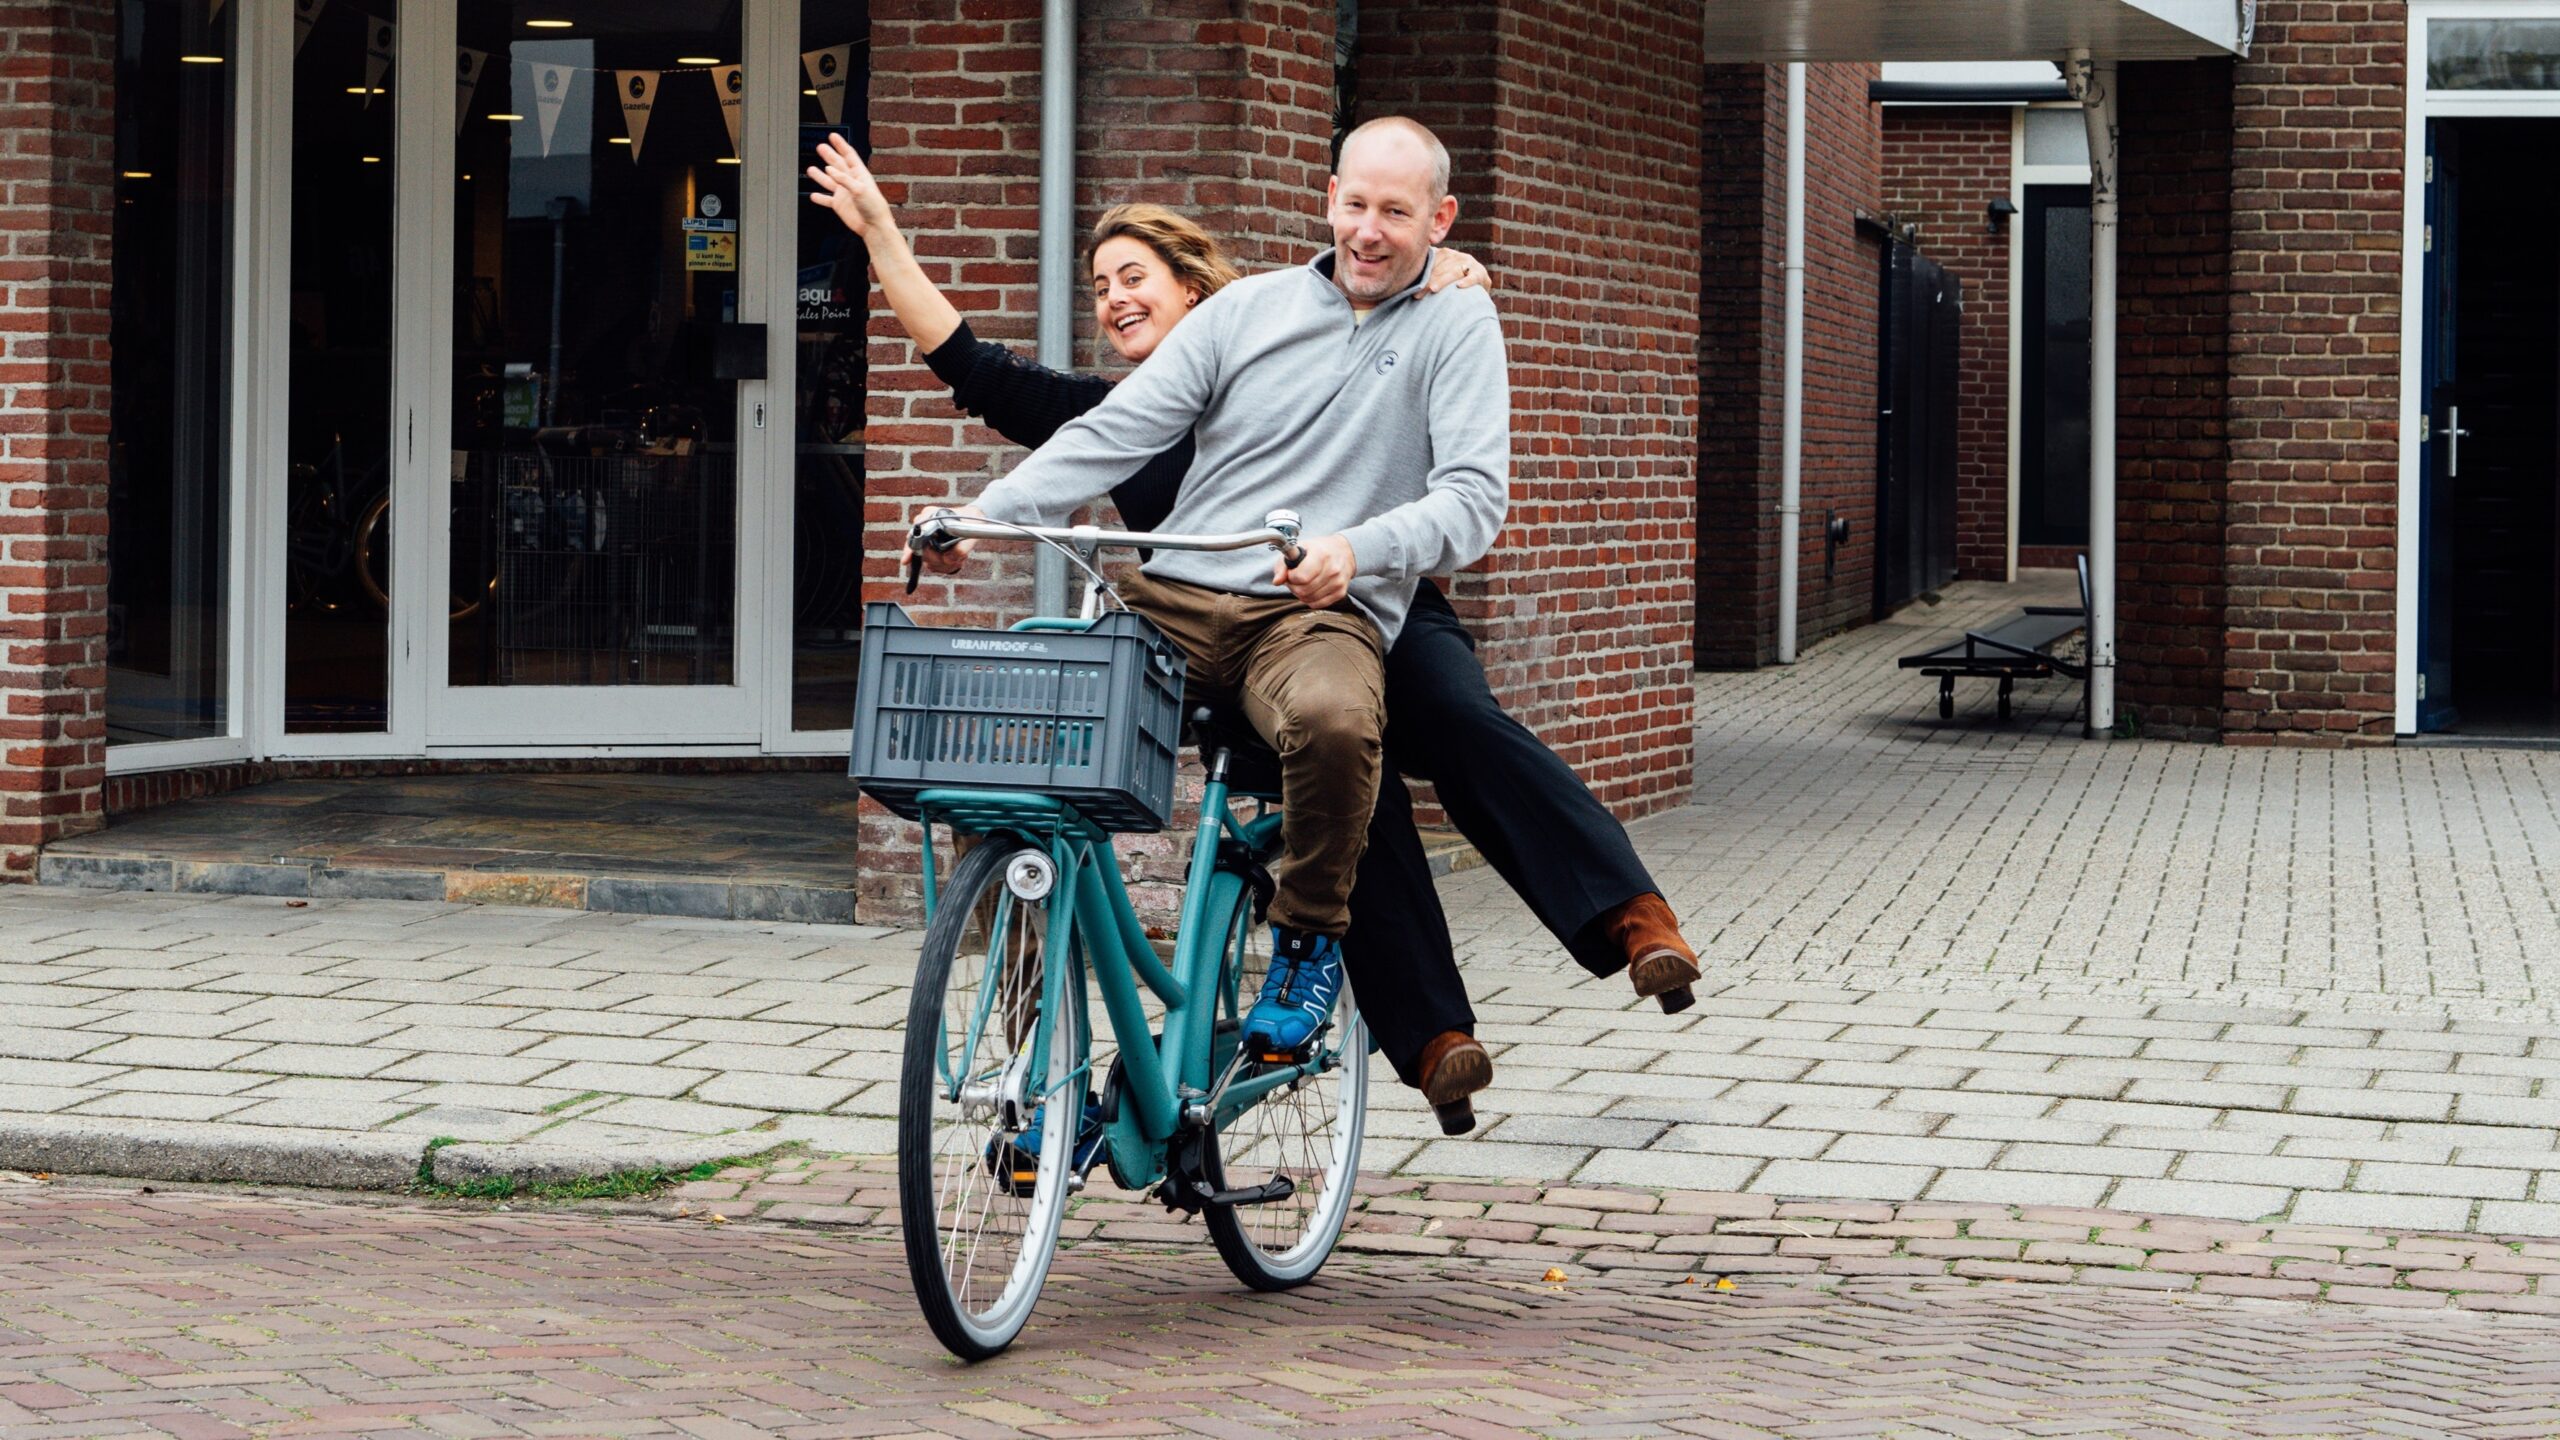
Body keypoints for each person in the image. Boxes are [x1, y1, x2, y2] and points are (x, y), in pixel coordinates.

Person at [812, 124, 1701, 1134]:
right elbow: (1061, 413)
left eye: (1398, 212)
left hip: (1349, 601)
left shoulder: (1451, 314)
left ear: (1439, 220)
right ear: (1326, 198)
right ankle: (1042, 1003)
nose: (1115, 301)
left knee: (1427, 725)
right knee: (1043, 699)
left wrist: (1354, 550)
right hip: (1193, 599)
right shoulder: (1231, 325)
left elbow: (1471, 499)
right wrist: (985, 513)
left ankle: (1605, 927)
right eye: (1355, 206)